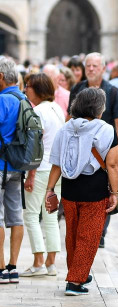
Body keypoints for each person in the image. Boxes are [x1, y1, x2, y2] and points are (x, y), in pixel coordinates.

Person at [45, 88, 118, 295]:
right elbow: (112, 165)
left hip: (69, 191)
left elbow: (57, 164)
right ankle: (75, 282)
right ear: (98, 108)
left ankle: (78, 272)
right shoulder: (106, 130)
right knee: (89, 237)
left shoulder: (65, 128)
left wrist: (50, 190)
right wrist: (115, 193)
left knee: (72, 235)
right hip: (95, 191)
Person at [69, 53, 118, 248]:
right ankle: (84, 227)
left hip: (106, 150)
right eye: (88, 66)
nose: (91, 69)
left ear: (103, 68)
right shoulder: (77, 88)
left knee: (107, 189)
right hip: (81, 149)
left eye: (95, 66)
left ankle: (100, 232)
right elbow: (70, 118)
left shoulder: (113, 92)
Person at [20, 74, 65, 277]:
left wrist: (30, 175)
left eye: (27, 86)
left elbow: (35, 146)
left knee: (31, 214)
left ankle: (38, 260)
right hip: (56, 169)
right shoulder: (57, 109)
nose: (25, 90)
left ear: (36, 89)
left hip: (40, 168)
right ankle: (51, 262)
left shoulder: (37, 111)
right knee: (51, 215)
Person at [0, 57, 27, 284]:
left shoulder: (2, 100)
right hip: (18, 166)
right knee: (16, 215)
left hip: (0, 165)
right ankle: (13, 267)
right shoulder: (24, 99)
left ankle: (0, 268)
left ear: (1, 77)